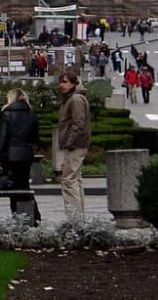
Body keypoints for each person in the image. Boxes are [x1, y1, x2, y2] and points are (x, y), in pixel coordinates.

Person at [0, 88, 41, 221]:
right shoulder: (31, 114)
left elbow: (2, 137)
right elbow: (35, 138)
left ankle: (18, 216)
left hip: (11, 156)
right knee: (24, 185)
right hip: (26, 155)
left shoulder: (7, 114)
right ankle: (32, 216)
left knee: (13, 188)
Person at [56, 70, 91, 216]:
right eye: (61, 82)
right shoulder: (72, 98)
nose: (61, 85)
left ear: (74, 84)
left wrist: (69, 142)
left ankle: (74, 218)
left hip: (75, 145)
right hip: (77, 144)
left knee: (68, 181)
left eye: (65, 82)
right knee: (75, 180)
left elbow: (78, 123)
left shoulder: (75, 99)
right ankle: (79, 217)